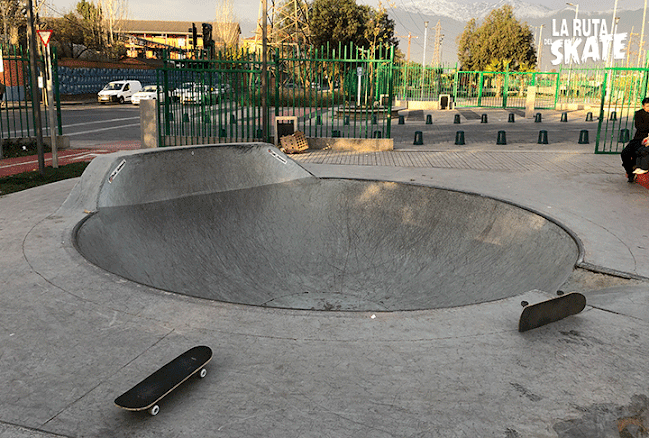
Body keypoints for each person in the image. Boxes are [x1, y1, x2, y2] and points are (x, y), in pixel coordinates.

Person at [621, 97, 649, 182]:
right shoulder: (639, 114)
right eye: (647, 106)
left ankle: (634, 169)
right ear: (643, 106)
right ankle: (630, 172)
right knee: (625, 153)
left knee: (639, 152)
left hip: (647, 140)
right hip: (638, 138)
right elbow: (639, 127)